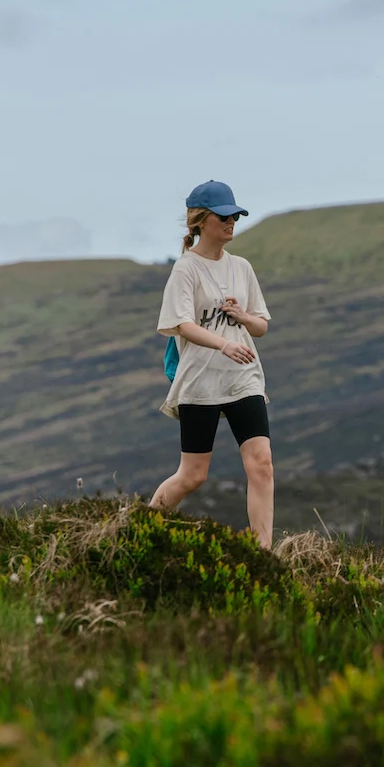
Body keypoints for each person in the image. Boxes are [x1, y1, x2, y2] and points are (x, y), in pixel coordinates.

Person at [149, 182, 277, 548]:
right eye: (224, 216)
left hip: (244, 378)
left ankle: (264, 554)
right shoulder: (185, 270)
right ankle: (140, 527)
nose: (231, 222)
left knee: (261, 464)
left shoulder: (242, 267)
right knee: (193, 475)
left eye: (235, 215)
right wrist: (223, 344)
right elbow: (182, 324)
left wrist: (243, 317)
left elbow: (261, 327)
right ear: (201, 221)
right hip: (200, 382)